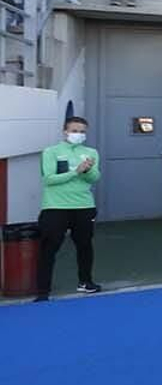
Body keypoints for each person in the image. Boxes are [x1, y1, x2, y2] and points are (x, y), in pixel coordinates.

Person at [34, 116, 102, 300]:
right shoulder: (51, 152)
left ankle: (86, 282)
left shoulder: (91, 152)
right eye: (74, 131)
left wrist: (88, 170)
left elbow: (94, 178)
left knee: (85, 246)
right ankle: (42, 291)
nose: (78, 134)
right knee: (49, 248)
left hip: (84, 206)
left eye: (82, 132)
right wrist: (75, 172)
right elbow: (48, 179)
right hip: (55, 207)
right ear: (65, 131)